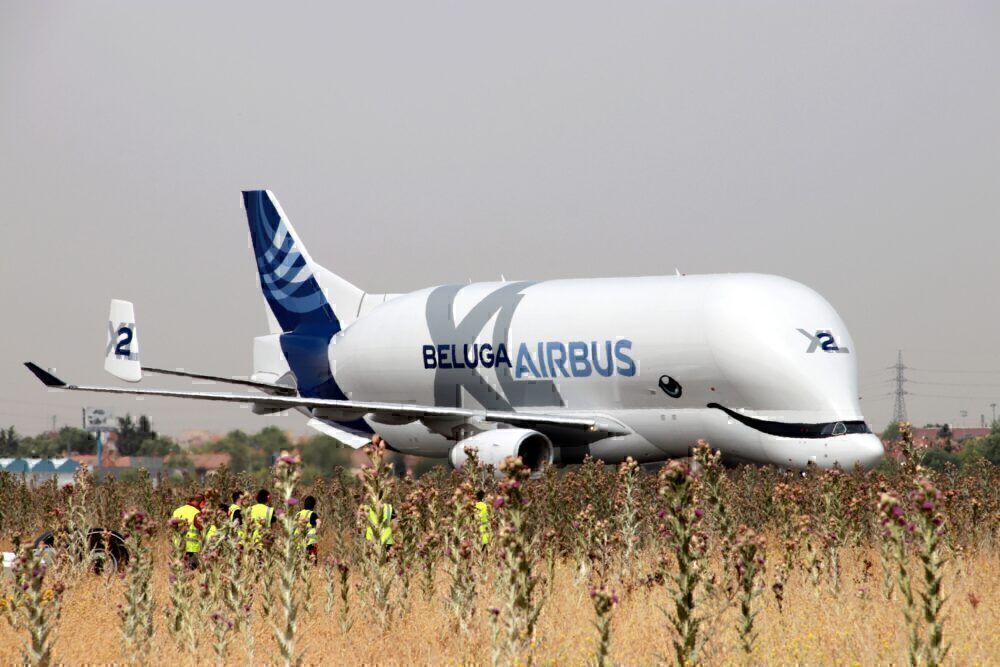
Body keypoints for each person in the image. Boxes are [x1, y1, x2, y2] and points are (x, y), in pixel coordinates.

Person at [171, 493, 206, 569]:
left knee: (180, 572)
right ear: (201, 502)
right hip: (192, 548)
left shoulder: (177, 511)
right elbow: (202, 528)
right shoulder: (196, 513)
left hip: (178, 546)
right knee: (190, 572)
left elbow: (173, 527)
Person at [296, 495, 320, 563]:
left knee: (299, 562)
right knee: (312, 561)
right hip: (311, 541)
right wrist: (316, 531)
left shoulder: (298, 513)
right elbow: (319, 522)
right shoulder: (313, 514)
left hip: (299, 541)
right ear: (313, 505)